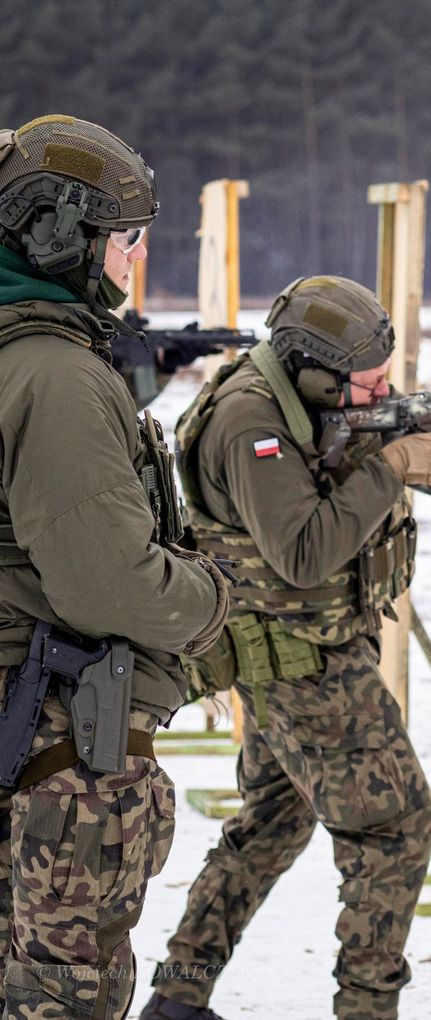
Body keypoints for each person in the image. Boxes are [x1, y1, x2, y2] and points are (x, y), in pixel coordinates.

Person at [139, 276, 431, 1020]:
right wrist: (392, 467)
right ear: (316, 371)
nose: (383, 393)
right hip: (304, 663)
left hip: (292, 655)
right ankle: (366, 1008)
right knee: (395, 828)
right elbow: (304, 554)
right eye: (368, 382)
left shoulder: (291, 399)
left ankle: (179, 996)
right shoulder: (251, 421)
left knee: (271, 824)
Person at [0, 114, 230, 1018]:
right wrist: (209, 598)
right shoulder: (52, 375)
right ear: (62, 237)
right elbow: (109, 582)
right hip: (51, 741)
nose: (137, 258)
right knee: (64, 992)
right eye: (126, 237)